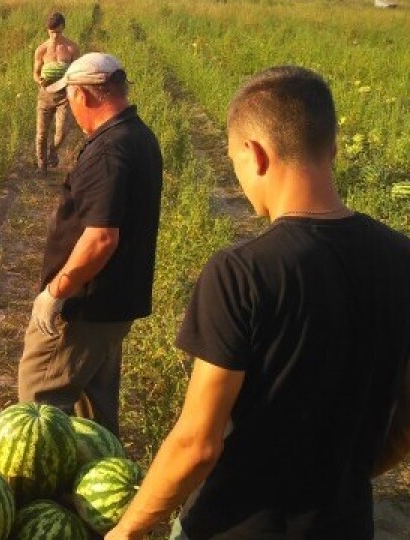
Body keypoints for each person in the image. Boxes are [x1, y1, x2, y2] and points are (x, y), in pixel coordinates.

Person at [105, 66, 410, 540]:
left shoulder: (242, 272)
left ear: (256, 154)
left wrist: (128, 530)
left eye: (234, 163)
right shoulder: (402, 256)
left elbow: (197, 444)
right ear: (330, 147)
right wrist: (345, 475)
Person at [17, 53, 163, 438]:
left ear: (85, 96)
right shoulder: (138, 136)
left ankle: (37, 491)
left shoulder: (108, 151)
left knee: (37, 408)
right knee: (94, 417)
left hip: (83, 307)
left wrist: (56, 291)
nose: (71, 109)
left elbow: (101, 237)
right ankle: (96, 489)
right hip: (113, 305)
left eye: (70, 99)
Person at [32, 12, 80, 172]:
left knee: (62, 131)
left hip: (64, 95)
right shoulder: (42, 49)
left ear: (63, 29)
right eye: (51, 32)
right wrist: (40, 81)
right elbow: (35, 73)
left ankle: (53, 151)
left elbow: (77, 71)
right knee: (41, 134)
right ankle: (41, 165)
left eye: (57, 32)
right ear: (47, 30)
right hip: (45, 95)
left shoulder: (71, 48)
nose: (54, 36)